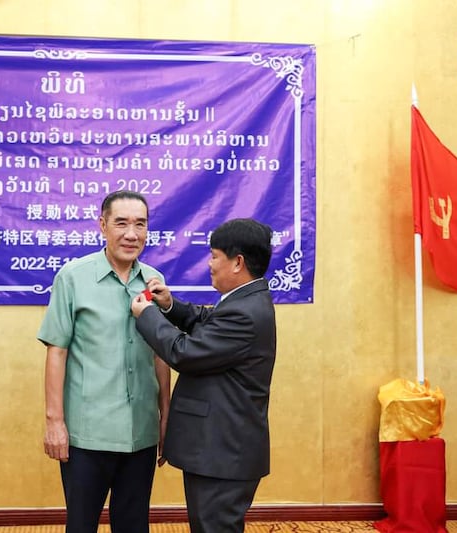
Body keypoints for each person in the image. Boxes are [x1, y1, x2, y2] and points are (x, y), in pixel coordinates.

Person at [130, 217, 277, 533]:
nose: (209, 264)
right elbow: (207, 321)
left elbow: (185, 353)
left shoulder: (245, 313)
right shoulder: (245, 300)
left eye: (214, 256)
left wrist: (148, 315)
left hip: (223, 453)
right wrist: (170, 306)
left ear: (237, 262)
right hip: (220, 451)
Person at [37, 190, 171, 533]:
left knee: (133, 526)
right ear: (102, 225)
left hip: (140, 433)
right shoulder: (73, 277)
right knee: (81, 525)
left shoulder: (153, 281)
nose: (132, 234)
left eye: (140, 224)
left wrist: (165, 417)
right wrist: (55, 422)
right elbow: (57, 351)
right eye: (121, 223)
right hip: (87, 435)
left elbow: (161, 352)